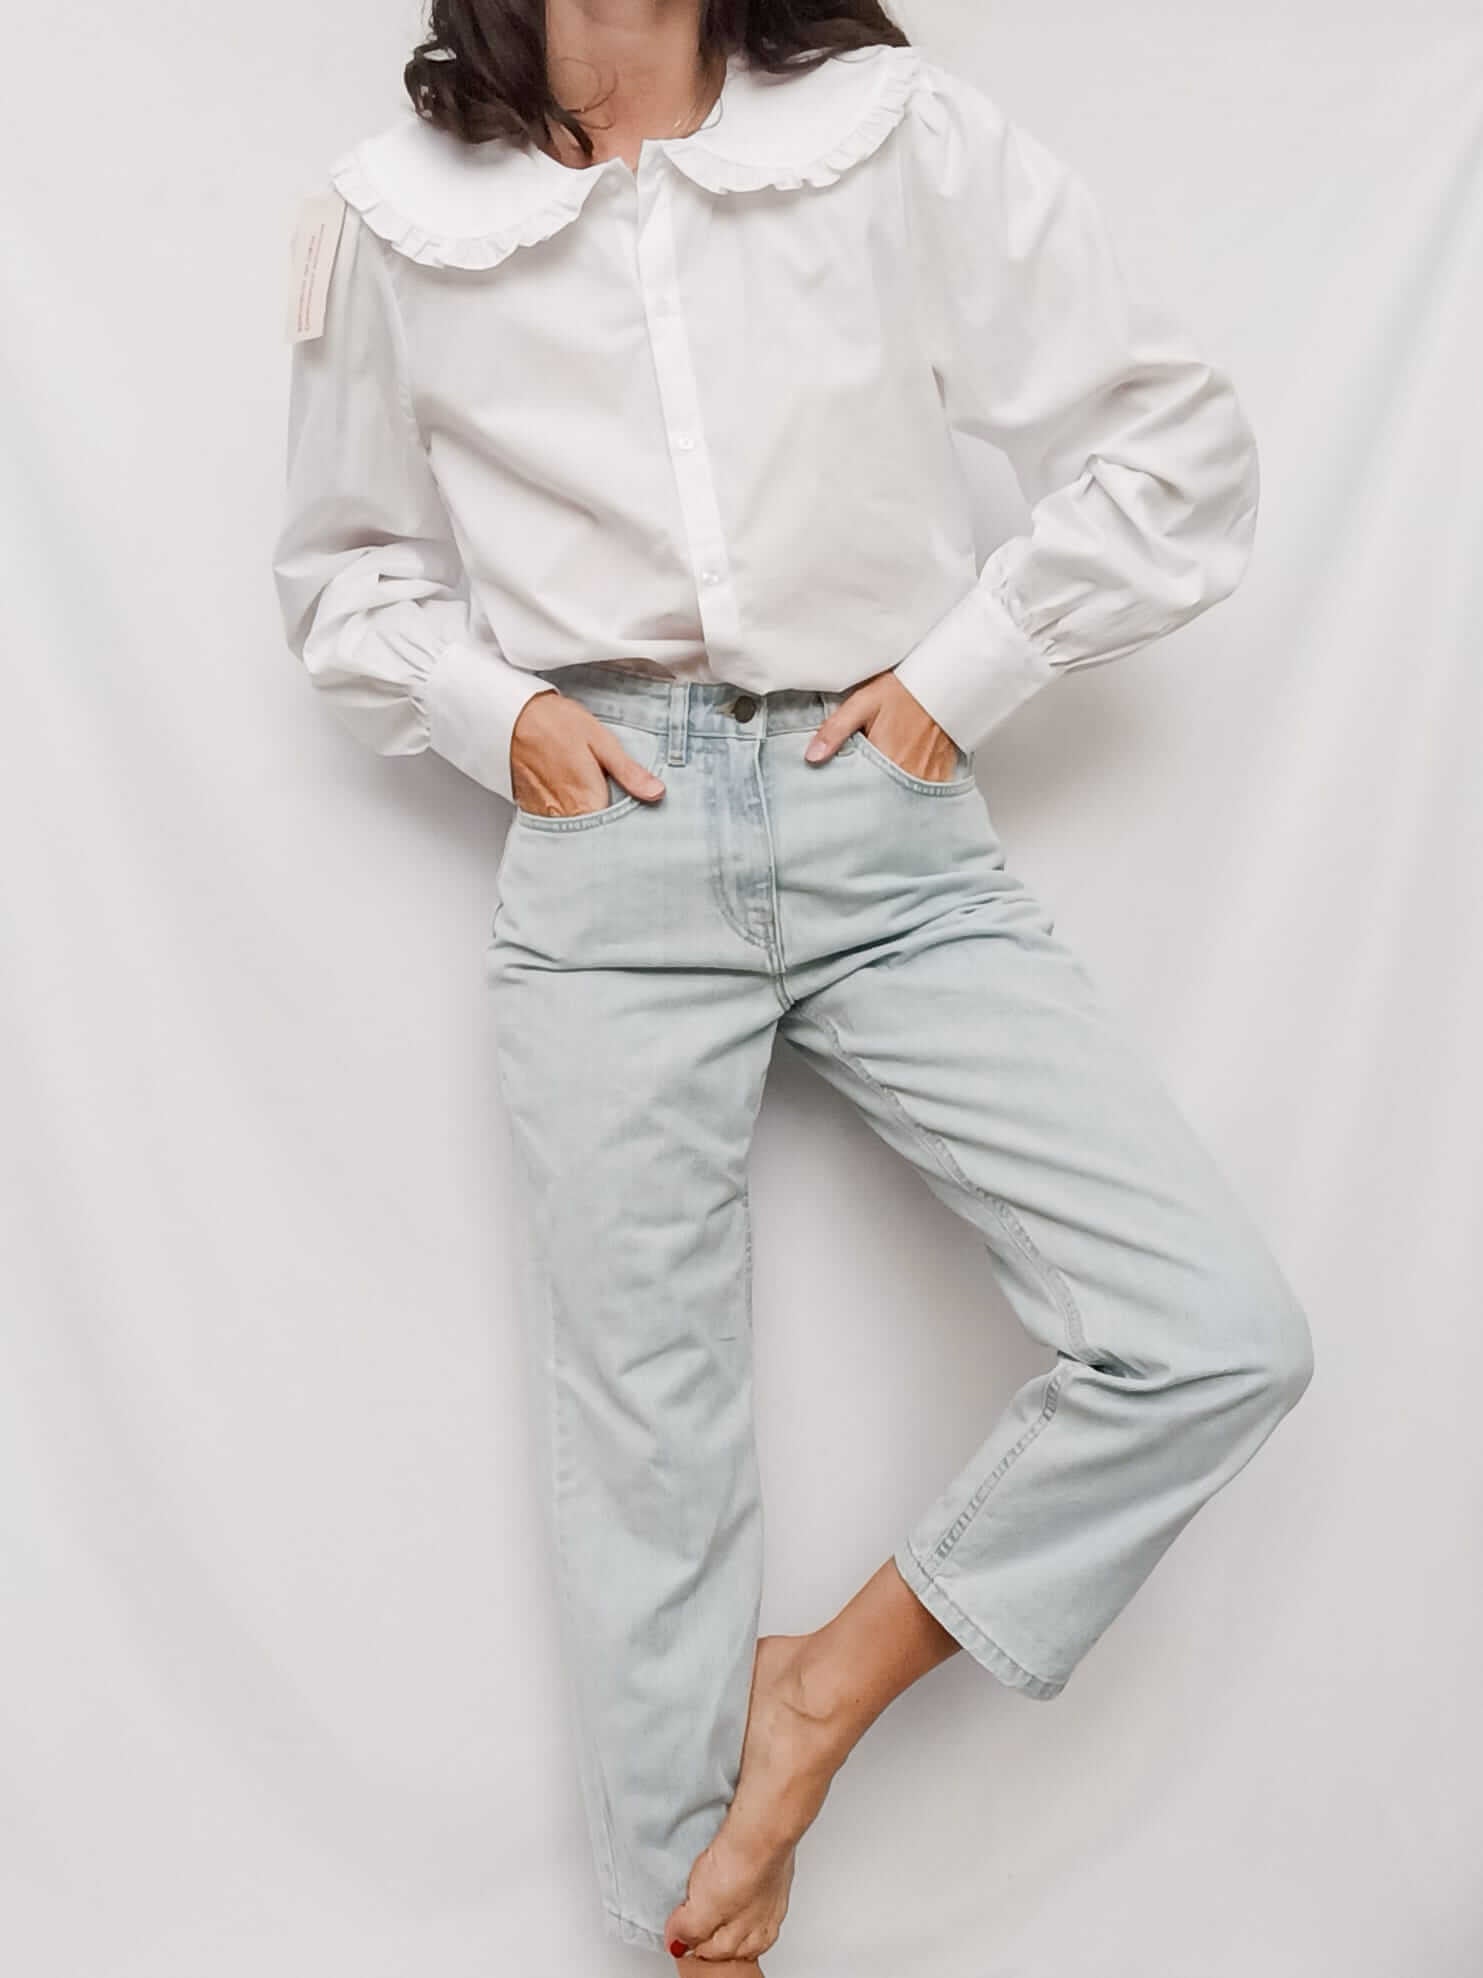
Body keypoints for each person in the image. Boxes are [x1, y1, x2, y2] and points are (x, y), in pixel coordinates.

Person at [271, 2, 1315, 1968]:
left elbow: (1170, 448)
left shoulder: (890, 135)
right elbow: (339, 575)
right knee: (647, 1460)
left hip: (881, 815)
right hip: (607, 837)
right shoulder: (398, 214)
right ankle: (698, 1938)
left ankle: (819, 1692)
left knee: (1212, 1331)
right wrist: (503, 718)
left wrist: (960, 680)